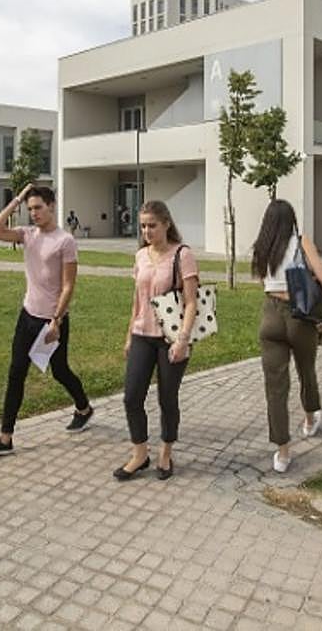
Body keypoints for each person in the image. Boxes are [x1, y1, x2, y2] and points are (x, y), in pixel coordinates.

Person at [0, 183, 93, 456]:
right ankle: (6, 437)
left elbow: (68, 286)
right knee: (16, 373)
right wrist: (17, 199)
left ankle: (84, 408)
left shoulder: (65, 241)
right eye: (30, 209)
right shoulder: (27, 235)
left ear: (51, 205)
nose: (34, 213)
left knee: (60, 370)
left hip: (51, 321)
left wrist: (56, 321)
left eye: (38, 207)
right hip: (27, 315)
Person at [115, 200, 199, 481]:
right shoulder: (140, 256)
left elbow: (190, 302)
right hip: (141, 335)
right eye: (142, 226)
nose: (147, 231)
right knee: (131, 397)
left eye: (152, 225)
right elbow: (136, 301)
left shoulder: (182, 255)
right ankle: (140, 453)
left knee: (167, 398)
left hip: (171, 338)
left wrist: (183, 340)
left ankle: (166, 451)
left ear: (166, 224)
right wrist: (129, 335)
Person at [252, 199, 322, 473]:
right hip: (299, 315)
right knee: (306, 369)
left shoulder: (262, 247)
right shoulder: (302, 242)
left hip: (270, 317)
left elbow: (263, 283)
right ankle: (311, 417)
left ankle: (282, 452)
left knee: (275, 388)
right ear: (292, 220)